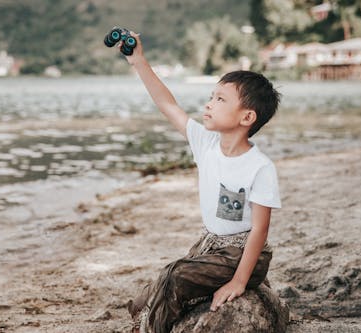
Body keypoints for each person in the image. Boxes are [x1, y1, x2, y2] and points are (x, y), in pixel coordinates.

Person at [117, 32, 282, 333]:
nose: (208, 104)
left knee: (174, 276)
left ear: (247, 117)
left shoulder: (260, 167)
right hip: (210, 246)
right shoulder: (206, 144)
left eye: (220, 100)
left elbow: (260, 228)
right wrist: (138, 61)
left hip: (240, 252)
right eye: (211, 97)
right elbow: (168, 106)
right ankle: (146, 315)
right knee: (145, 297)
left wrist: (240, 281)